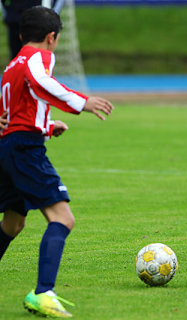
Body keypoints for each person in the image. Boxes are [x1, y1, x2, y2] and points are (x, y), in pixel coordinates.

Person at [0, 6, 113, 317]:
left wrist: (47, 127)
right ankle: (43, 292)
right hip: (25, 150)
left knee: (13, 222)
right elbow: (41, 84)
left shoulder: (12, 65)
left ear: (21, 34)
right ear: (51, 38)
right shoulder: (39, 58)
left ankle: (43, 291)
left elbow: (13, 112)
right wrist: (82, 102)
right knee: (63, 218)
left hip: (8, 147)